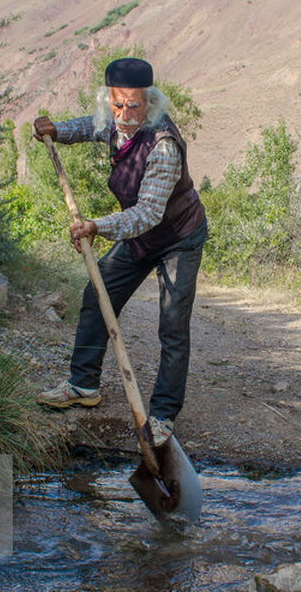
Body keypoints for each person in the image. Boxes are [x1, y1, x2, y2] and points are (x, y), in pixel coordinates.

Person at [33, 57, 207, 449]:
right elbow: (89, 127)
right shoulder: (114, 120)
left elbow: (147, 214)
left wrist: (96, 227)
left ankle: (162, 416)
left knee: (172, 324)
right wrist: (55, 130)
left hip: (178, 238)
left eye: (133, 105)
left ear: (151, 102)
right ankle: (82, 384)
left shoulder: (162, 146)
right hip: (141, 236)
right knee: (98, 294)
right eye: (117, 104)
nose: (124, 114)